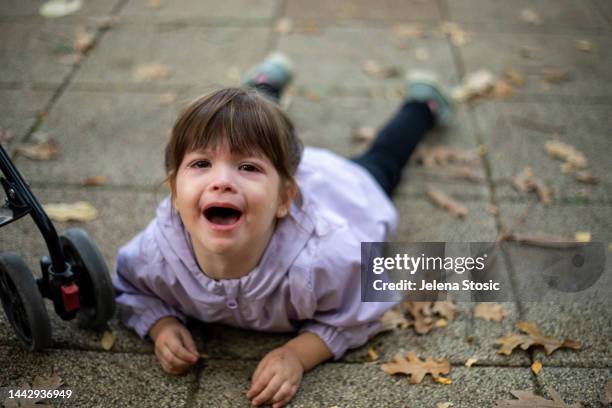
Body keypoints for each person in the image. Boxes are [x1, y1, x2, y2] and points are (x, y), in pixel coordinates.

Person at [113, 53, 453, 408]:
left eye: (245, 167)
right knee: (247, 129)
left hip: (347, 192)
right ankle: (263, 85)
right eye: (201, 164)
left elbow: (364, 307)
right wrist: (160, 325)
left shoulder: (327, 259)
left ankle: (423, 104)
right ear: (174, 193)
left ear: (285, 199)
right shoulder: (156, 252)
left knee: (383, 159)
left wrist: (297, 355)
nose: (222, 181)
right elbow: (130, 288)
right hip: (277, 174)